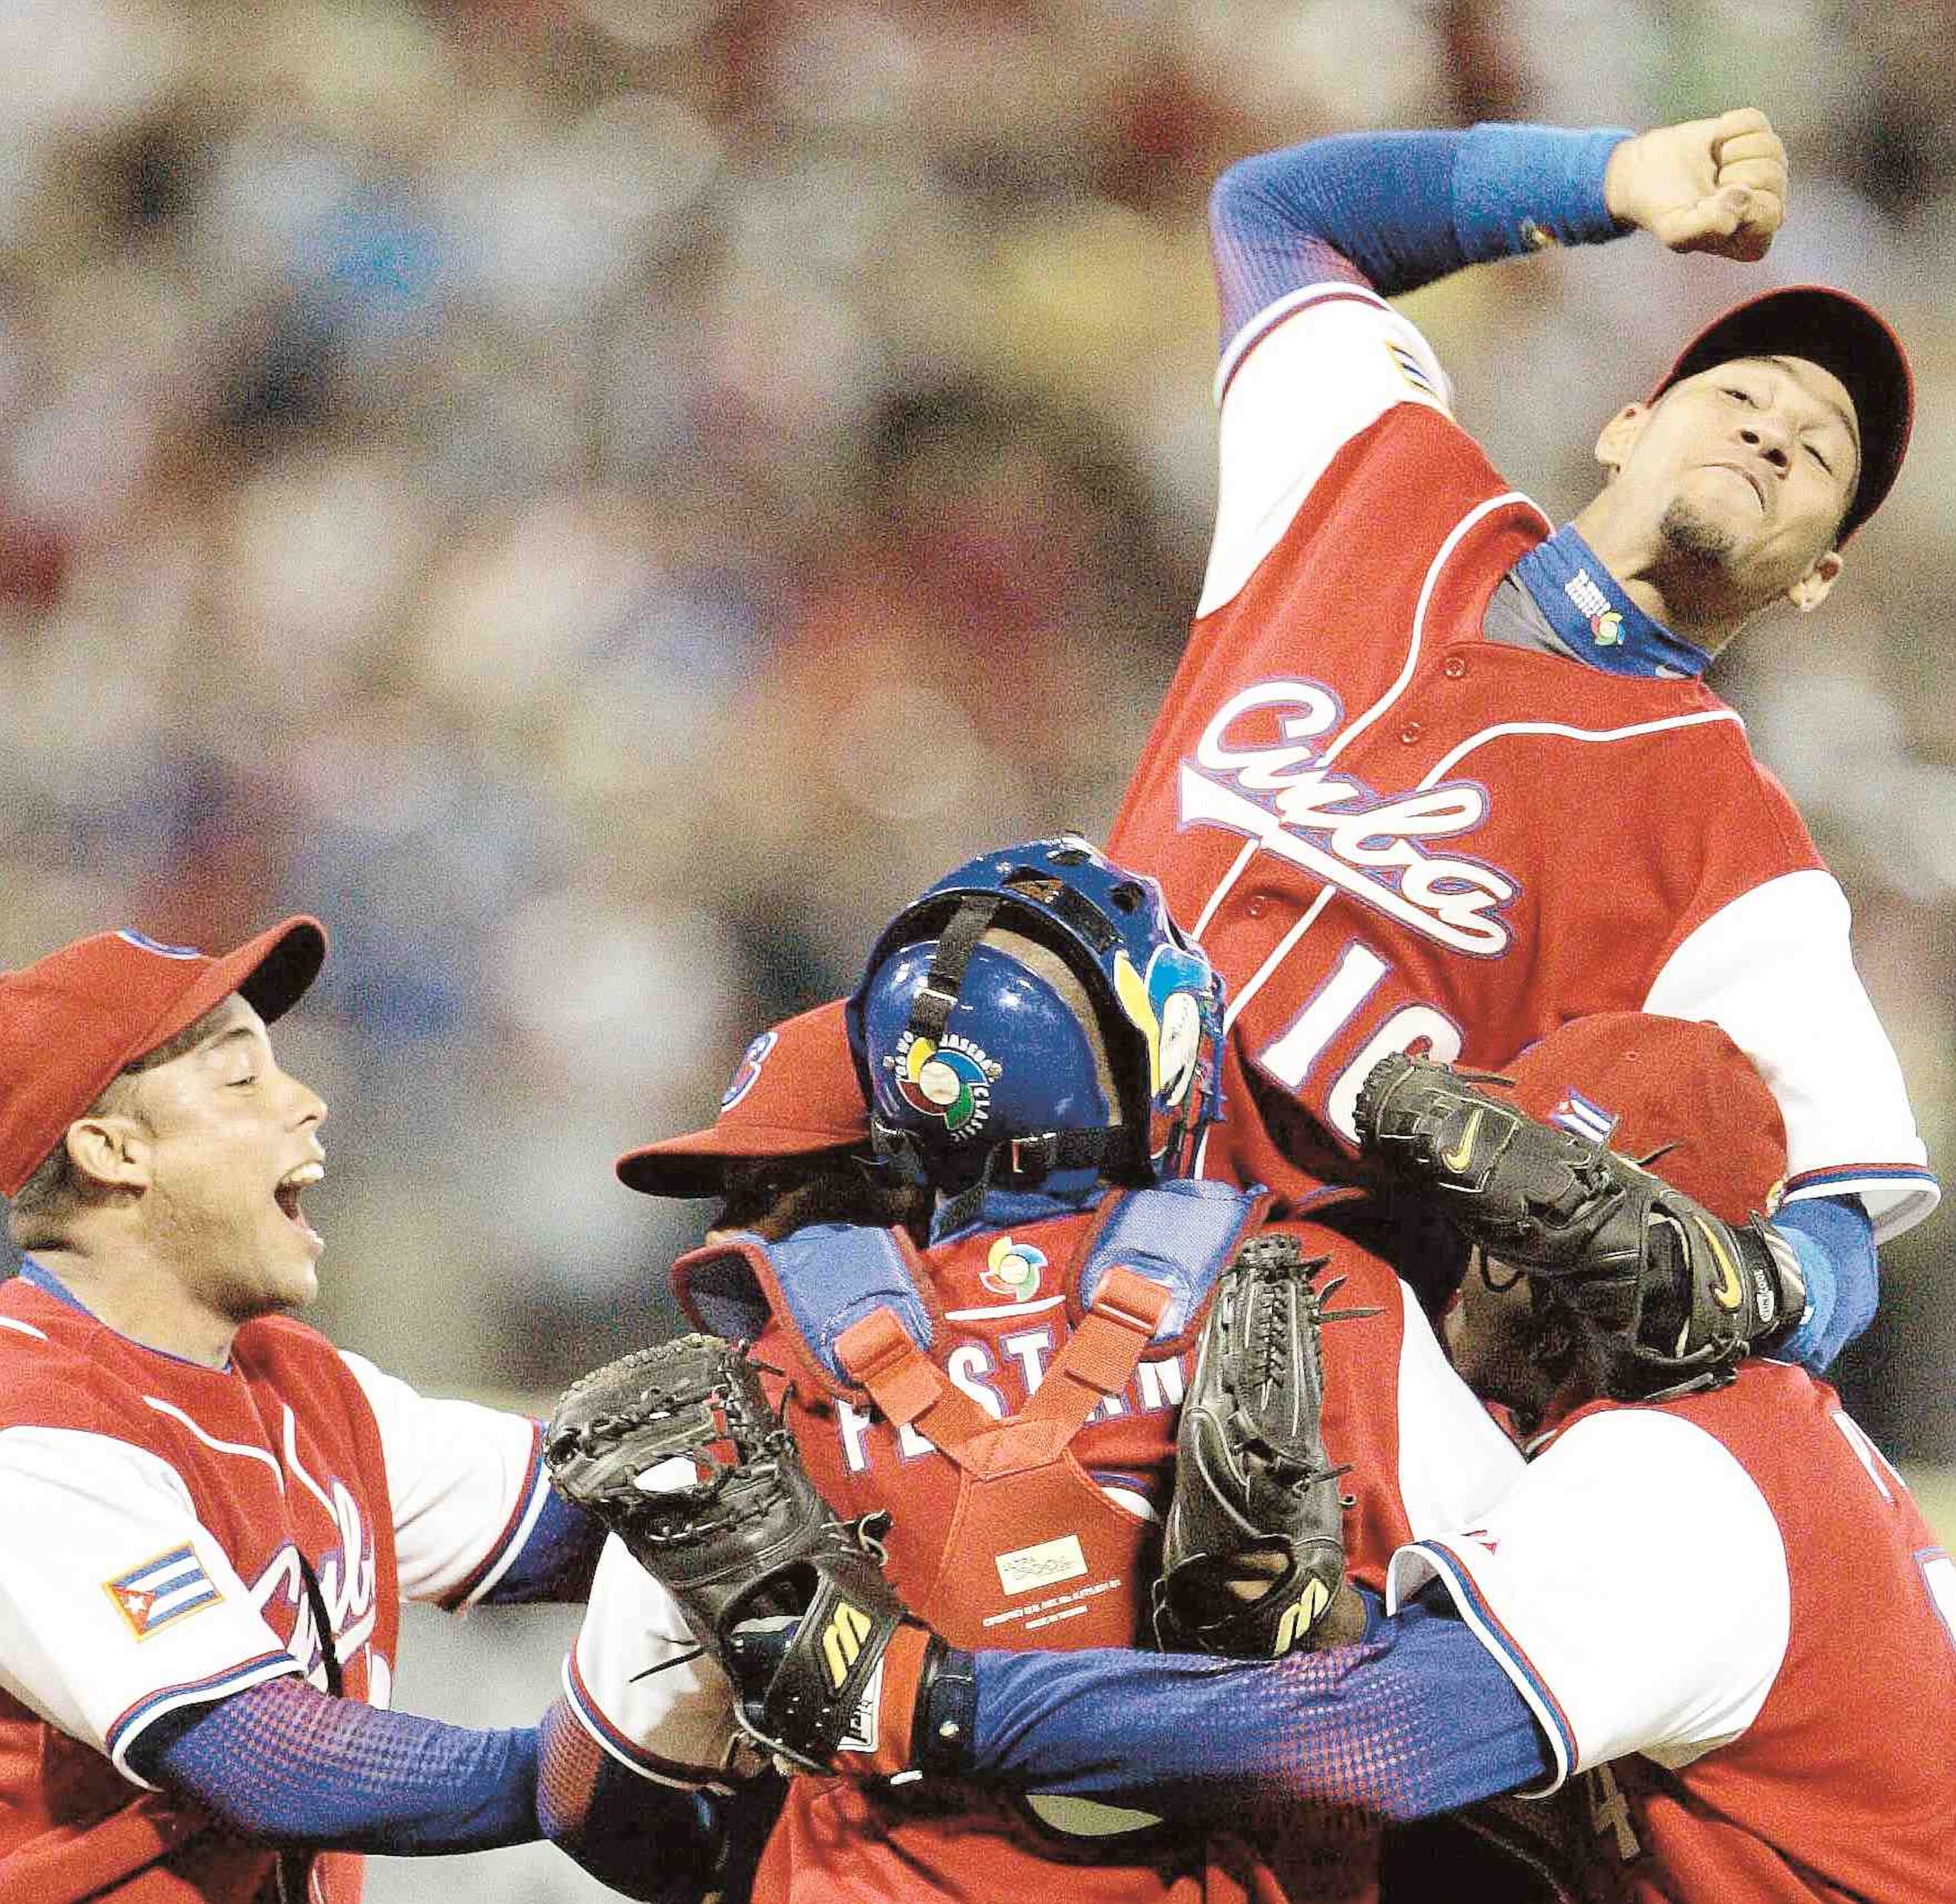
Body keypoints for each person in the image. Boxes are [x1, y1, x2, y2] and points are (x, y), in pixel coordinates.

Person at [1104, 106, 1935, 1368]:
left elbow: (1847, 1231)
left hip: (1276, 1360)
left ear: (1815, 574)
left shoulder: (1738, 851)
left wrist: (1751, 1291)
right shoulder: (1370, 471)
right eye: (1741, 397)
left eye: (1819, 452)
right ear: (1625, 426)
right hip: (1017, 1182)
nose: (1772, 431)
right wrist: (1604, 178)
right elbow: (1272, 213)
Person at [561, 834, 1533, 1903]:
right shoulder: (1317, 1292)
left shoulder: (775, 1362)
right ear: (1155, 1043)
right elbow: (1521, 1675)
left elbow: (591, 1789)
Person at [821, 1015, 1956, 1903]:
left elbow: (1372, 1741)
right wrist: (1314, 1629)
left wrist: (935, 1701)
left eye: (1511, 1213)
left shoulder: (1689, 1472)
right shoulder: (1753, 1434)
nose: (1466, 1235)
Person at [0, 920, 732, 1902]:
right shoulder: (30, 1421)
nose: (307, 1101)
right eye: (241, 1078)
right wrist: (569, 1771)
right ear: (112, 1149)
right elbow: (260, 1756)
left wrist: (858, 1454)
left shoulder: (293, 1379)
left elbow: (588, 1523)